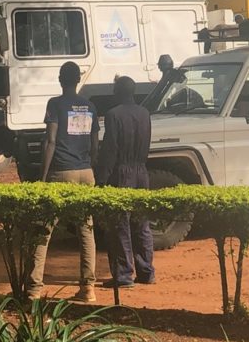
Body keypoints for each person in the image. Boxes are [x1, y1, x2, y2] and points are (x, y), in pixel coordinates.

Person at [27, 61, 99, 302]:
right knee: (86, 230)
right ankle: (88, 289)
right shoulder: (90, 106)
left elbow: (50, 141)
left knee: (43, 229)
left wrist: (43, 177)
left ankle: (34, 288)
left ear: (60, 79)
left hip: (61, 172)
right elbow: (94, 144)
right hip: (85, 172)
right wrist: (90, 167)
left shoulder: (55, 104)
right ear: (78, 80)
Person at [96, 75, 155, 288]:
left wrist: (102, 178)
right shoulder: (145, 113)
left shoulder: (113, 115)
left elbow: (110, 150)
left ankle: (123, 275)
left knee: (120, 224)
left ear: (116, 92)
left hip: (122, 172)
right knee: (141, 223)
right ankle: (146, 271)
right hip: (141, 171)